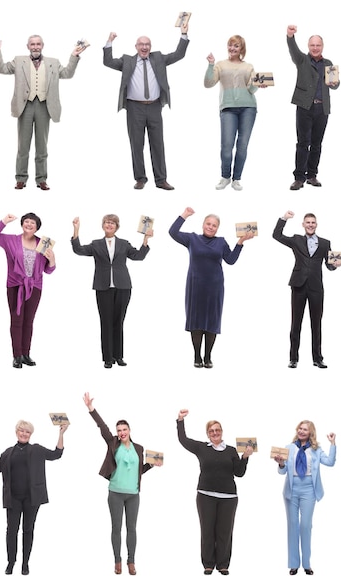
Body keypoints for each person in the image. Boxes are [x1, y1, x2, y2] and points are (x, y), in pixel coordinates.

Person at [0, 34, 86, 190]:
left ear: (42, 46)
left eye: (38, 44)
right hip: (24, 106)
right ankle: (21, 178)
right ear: (28, 46)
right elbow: (2, 69)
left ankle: (41, 179)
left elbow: (67, 74)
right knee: (23, 146)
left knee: (42, 146)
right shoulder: (19, 61)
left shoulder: (53, 62)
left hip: (44, 106)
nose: (35, 47)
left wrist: (74, 56)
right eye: (32, 44)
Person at [103, 24, 189, 190]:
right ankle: (140, 178)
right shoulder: (127, 61)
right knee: (136, 144)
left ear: (150, 47)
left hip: (155, 106)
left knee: (158, 143)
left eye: (147, 44)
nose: (144, 47)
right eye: (141, 44)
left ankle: (161, 180)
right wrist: (109, 41)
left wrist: (183, 33)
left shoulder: (158, 59)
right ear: (136, 47)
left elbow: (179, 54)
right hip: (134, 108)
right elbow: (108, 62)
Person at [83, 393, 160, 575]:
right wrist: (91, 409)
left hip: (133, 494)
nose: (121, 432)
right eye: (119, 430)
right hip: (115, 493)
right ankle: (117, 561)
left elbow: (139, 470)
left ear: (129, 430)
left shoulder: (139, 449)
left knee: (132, 529)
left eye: (124, 429)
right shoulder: (113, 443)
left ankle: (131, 562)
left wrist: (151, 464)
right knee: (116, 528)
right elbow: (102, 427)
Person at [169, 207, 254, 368]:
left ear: (217, 228)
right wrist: (184, 215)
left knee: (212, 321)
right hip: (195, 287)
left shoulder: (221, 242)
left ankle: (208, 356)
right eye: (208, 224)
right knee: (196, 320)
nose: (210, 227)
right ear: (203, 224)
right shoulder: (192, 239)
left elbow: (230, 260)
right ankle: (196, 356)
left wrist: (240, 242)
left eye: (214, 225)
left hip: (214, 288)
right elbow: (173, 232)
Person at [0, 420, 67, 575]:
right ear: (16, 432)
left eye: (27, 432)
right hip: (13, 498)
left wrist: (61, 434)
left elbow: (57, 454)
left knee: (28, 530)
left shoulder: (37, 449)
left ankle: (25, 563)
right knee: (11, 530)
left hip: (32, 498)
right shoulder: (8, 452)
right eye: (22, 431)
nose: (24, 434)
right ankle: (10, 562)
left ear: (30, 434)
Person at [176, 409, 252, 575]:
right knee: (207, 530)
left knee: (225, 531)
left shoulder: (231, 450)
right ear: (208, 434)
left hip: (228, 497)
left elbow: (239, 473)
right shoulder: (202, 448)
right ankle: (208, 564)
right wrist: (180, 420)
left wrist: (245, 457)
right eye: (211, 431)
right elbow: (183, 439)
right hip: (205, 496)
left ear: (222, 432)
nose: (215, 433)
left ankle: (223, 564)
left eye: (217, 430)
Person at [71, 215, 152, 368]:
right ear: (103, 225)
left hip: (123, 287)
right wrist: (76, 230)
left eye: (112, 223)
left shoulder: (124, 243)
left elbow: (138, 256)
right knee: (106, 322)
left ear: (117, 227)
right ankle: (108, 358)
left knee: (118, 322)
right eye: (107, 222)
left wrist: (146, 240)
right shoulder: (96, 244)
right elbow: (78, 250)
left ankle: (118, 356)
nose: (109, 225)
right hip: (103, 287)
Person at [0, 213, 56, 368]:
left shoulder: (43, 243)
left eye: (33, 223)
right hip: (15, 286)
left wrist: (52, 259)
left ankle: (26, 354)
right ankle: (17, 355)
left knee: (29, 321)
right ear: (22, 224)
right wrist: (4, 221)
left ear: (37, 226)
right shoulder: (10, 240)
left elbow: (49, 270)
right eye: (26, 221)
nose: (29, 224)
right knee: (17, 320)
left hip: (35, 287)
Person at [272, 211, 338, 369]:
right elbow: (277, 235)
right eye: (307, 222)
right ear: (303, 224)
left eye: (313, 222)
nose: (310, 225)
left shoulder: (325, 243)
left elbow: (329, 265)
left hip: (316, 287)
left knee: (316, 323)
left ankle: (318, 358)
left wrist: (335, 265)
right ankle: (293, 358)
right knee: (296, 323)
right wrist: (284, 219)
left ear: (316, 225)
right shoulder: (296, 240)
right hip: (298, 285)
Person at [275, 421, 336, 575]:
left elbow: (330, 462)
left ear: (310, 433)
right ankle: (294, 564)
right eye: (300, 429)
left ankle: (307, 564)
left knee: (306, 526)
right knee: (293, 525)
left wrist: (333, 444)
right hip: (291, 489)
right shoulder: (289, 448)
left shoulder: (316, 449)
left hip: (309, 489)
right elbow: (282, 472)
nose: (302, 431)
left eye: (305, 430)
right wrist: (281, 464)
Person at [205, 35, 264, 191]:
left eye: (236, 46)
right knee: (226, 145)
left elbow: (251, 89)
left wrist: (258, 84)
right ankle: (225, 176)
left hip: (248, 108)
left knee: (242, 145)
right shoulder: (220, 65)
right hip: (228, 108)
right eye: (230, 45)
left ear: (241, 49)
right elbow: (208, 83)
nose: (232, 48)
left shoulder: (248, 66)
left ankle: (236, 179)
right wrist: (211, 65)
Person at [286, 25, 339, 190]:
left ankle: (312, 175)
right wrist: (290, 36)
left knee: (317, 144)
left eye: (318, 45)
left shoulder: (328, 63)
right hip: (304, 108)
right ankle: (299, 178)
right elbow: (293, 49)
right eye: (312, 45)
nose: (315, 48)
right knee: (303, 143)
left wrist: (335, 83)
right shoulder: (302, 59)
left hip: (322, 109)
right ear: (308, 46)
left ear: (322, 46)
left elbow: (334, 85)